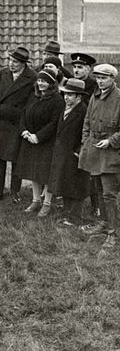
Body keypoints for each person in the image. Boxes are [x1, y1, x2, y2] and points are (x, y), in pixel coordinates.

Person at [0, 46, 37, 203]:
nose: (12, 64)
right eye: (10, 60)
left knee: (16, 160)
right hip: (0, 123)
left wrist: (23, 120)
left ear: (23, 63)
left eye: (15, 62)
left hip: (17, 124)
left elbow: (32, 103)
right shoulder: (3, 73)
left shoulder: (32, 77)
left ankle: (15, 192)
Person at [78, 64, 120, 252]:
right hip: (94, 150)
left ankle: (114, 234)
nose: (100, 81)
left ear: (113, 78)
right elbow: (87, 121)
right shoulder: (94, 96)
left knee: (109, 194)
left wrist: (111, 141)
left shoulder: (119, 97)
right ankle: (104, 223)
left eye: (104, 78)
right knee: (98, 188)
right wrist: (86, 142)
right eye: (98, 77)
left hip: (111, 152)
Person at [14, 69, 65, 216]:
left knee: (46, 173)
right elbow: (23, 114)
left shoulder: (57, 100)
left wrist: (38, 136)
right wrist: (24, 131)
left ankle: (47, 203)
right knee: (34, 172)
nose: (41, 84)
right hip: (29, 139)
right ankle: (36, 200)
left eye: (45, 81)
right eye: (40, 81)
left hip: (46, 142)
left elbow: (54, 123)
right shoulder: (34, 96)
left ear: (52, 83)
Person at [48, 78, 90, 227]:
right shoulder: (66, 109)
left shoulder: (83, 111)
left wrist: (78, 151)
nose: (66, 97)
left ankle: (75, 217)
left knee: (76, 186)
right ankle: (68, 214)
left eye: (70, 95)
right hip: (62, 152)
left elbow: (87, 133)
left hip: (74, 154)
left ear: (79, 96)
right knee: (64, 183)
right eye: (65, 94)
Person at [70, 52, 100, 219]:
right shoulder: (71, 84)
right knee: (75, 170)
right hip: (73, 132)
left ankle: (96, 205)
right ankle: (74, 204)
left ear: (89, 69)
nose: (76, 70)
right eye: (74, 67)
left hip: (88, 133)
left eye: (80, 67)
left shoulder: (94, 86)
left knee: (91, 171)